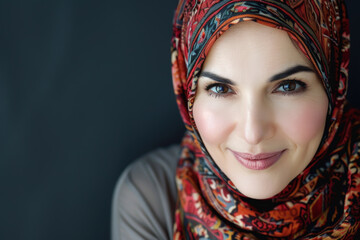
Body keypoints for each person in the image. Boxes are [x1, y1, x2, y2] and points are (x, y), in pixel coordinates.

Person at [112, 0, 360, 239]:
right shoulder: (153, 195)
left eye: (288, 86)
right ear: (187, 94)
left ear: (334, 84)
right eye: (220, 89)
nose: (253, 133)